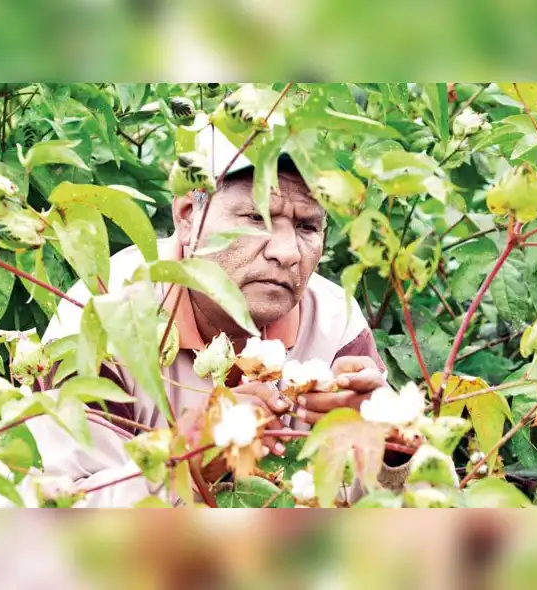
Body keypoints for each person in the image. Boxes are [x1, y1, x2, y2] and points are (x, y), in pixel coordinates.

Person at [25, 126, 413, 507]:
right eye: (257, 217)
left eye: (307, 226)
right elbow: (55, 503)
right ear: (188, 215)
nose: (288, 252)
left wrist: (389, 445)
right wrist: (190, 460)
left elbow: (394, 507)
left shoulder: (333, 320)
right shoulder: (104, 316)